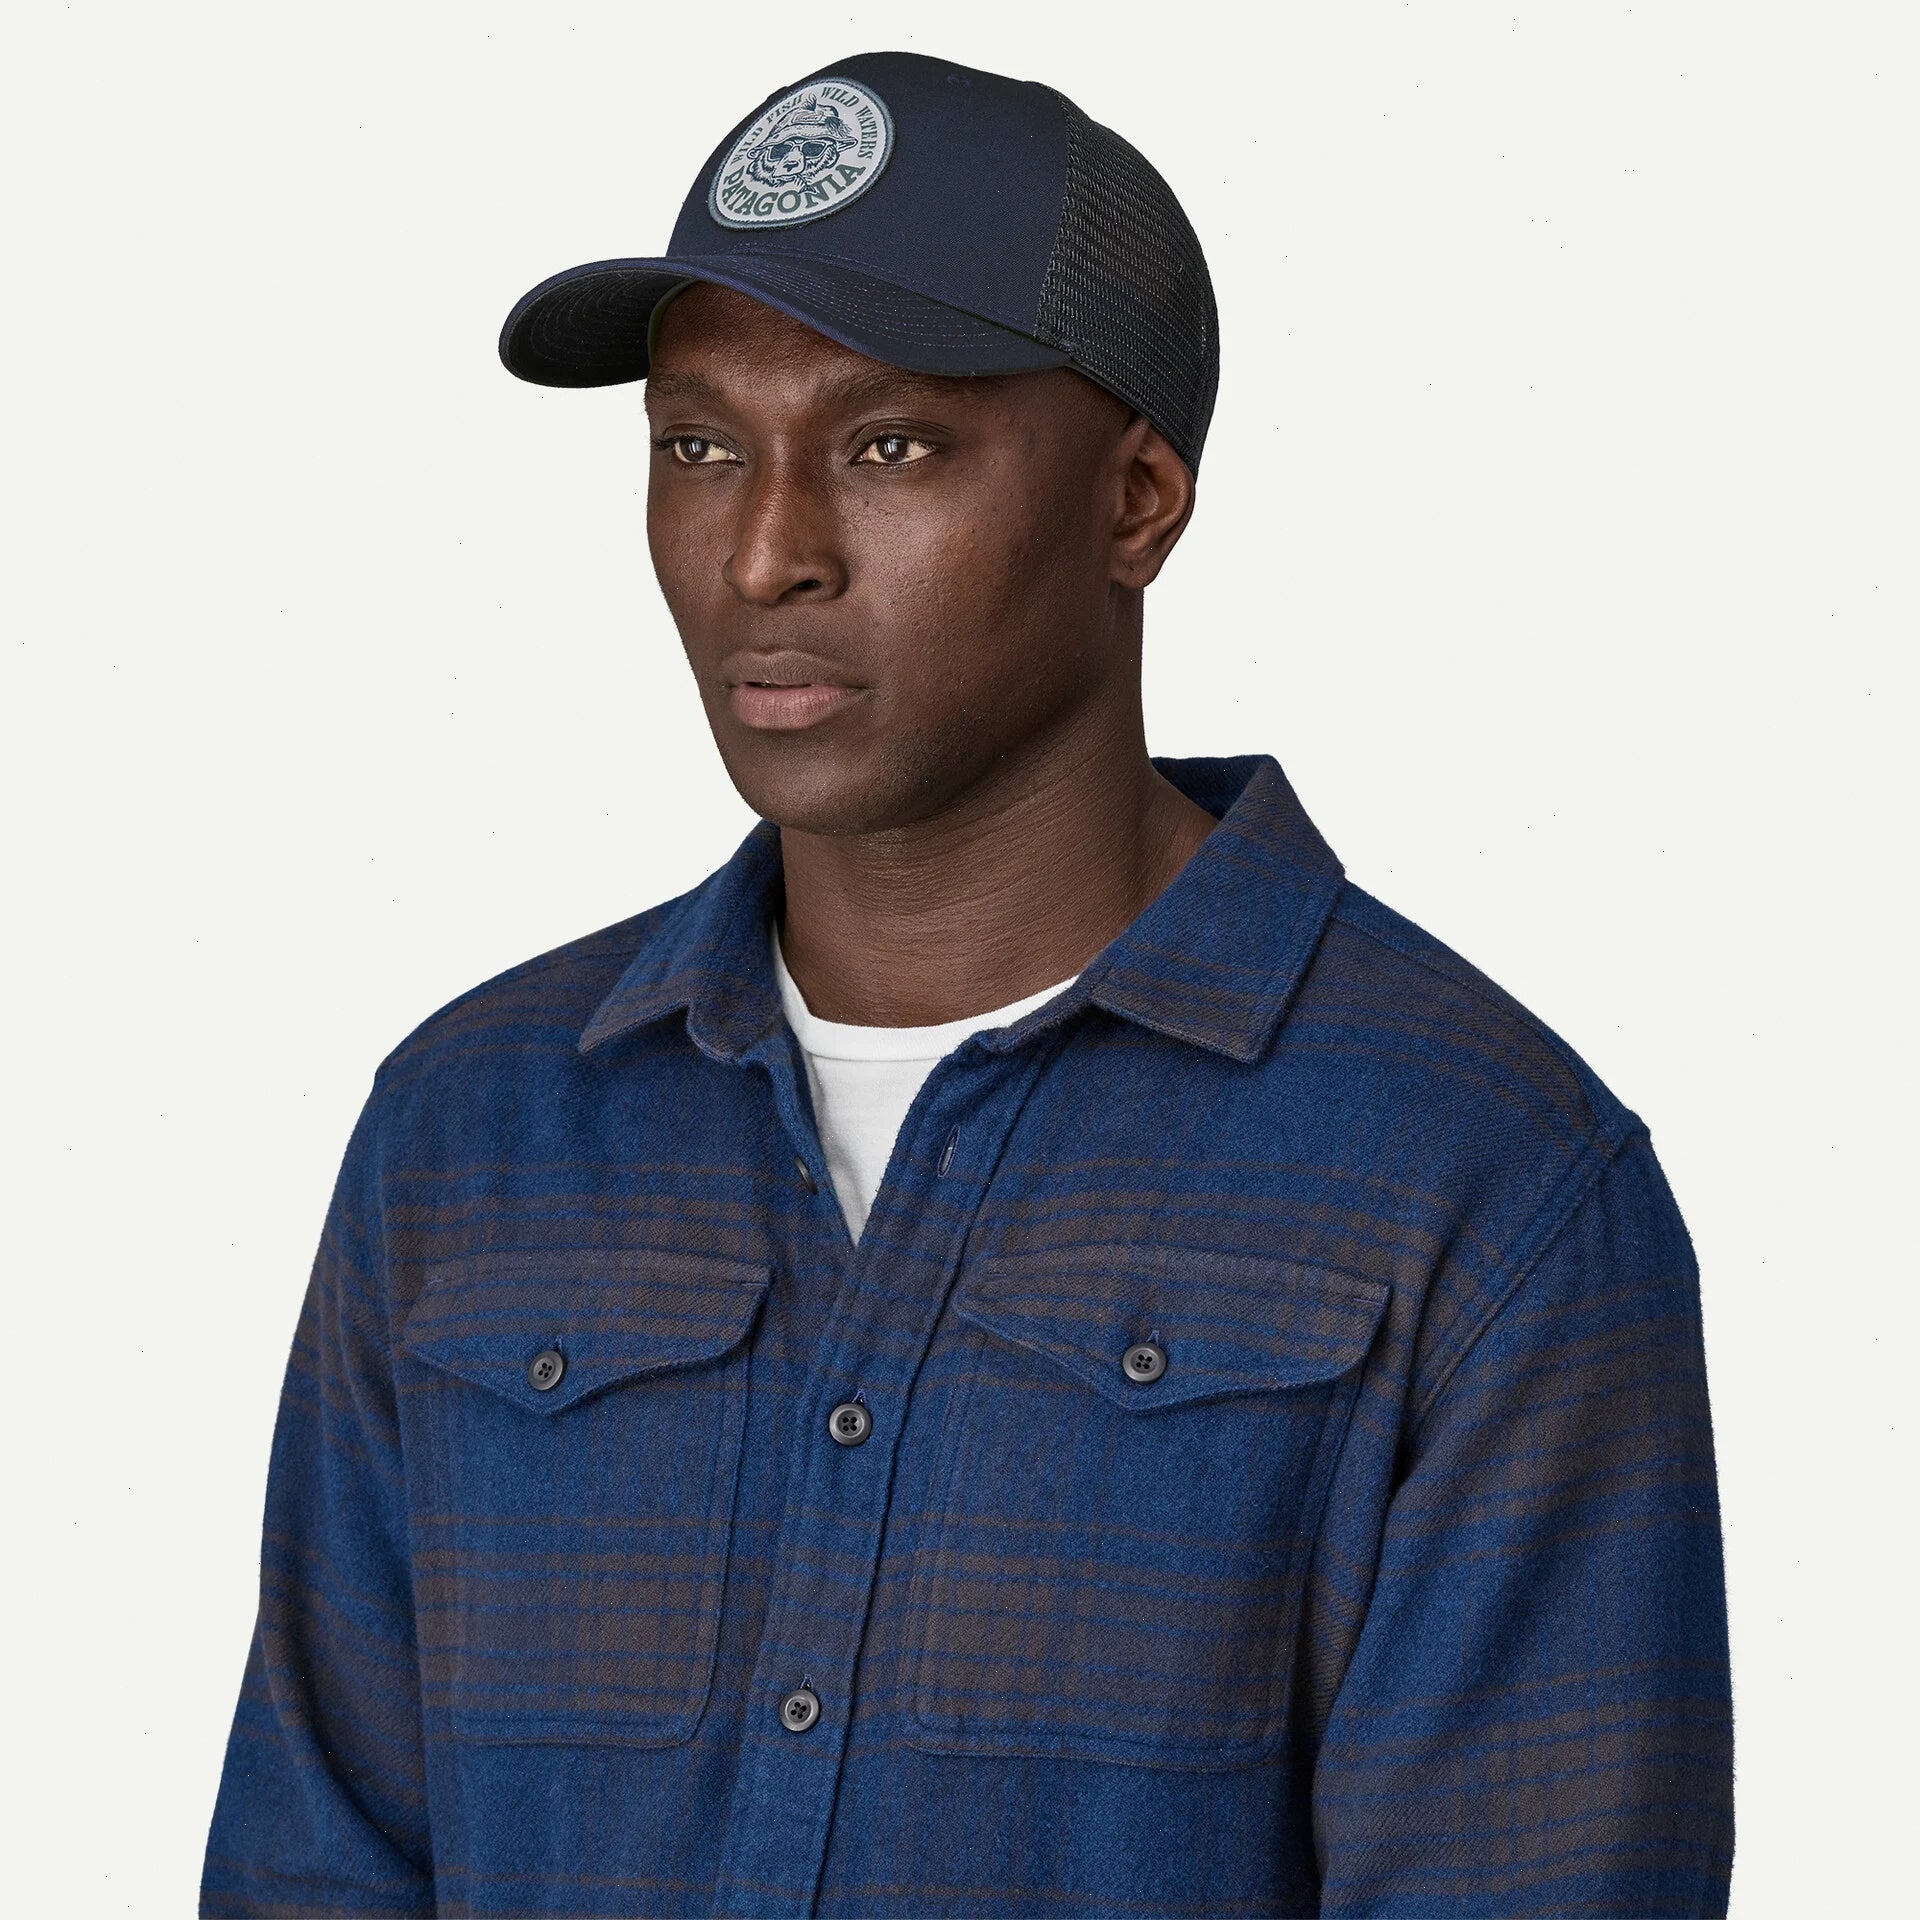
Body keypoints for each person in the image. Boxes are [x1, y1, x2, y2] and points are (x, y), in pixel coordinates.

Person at [201, 49, 1734, 1919]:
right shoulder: (469, 1134)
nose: (766, 552)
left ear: (1136, 501)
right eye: (698, 448)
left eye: (890, 447)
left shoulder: (1484, 1184)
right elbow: (312, 1869)